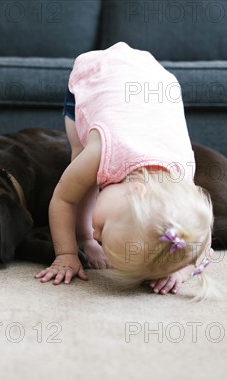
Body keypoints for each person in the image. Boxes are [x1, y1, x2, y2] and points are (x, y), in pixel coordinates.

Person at [35, 42, 215, 298]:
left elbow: (201, 235)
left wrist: (180, 271)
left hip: (157, 83)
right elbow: (64, 199)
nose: (98, 234)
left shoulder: (183, 189)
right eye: (103, 231)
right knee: (79, 168)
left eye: (97, 237)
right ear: (136, 191)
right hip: (100, 75)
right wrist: (68, 252)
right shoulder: (102, 151)